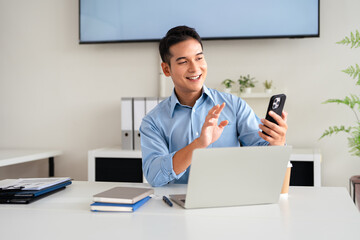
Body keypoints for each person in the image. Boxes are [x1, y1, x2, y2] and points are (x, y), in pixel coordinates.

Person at [140, 26, 287, 187]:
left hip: (230, 202)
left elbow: (264, 156)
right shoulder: (153, 121)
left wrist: (277, 142)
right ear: (166, 69)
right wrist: (199, 144)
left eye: (199, 58)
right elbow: (154, 176)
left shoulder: (234, 106)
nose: (195, 68)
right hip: (178, 206)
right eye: (183, 62)